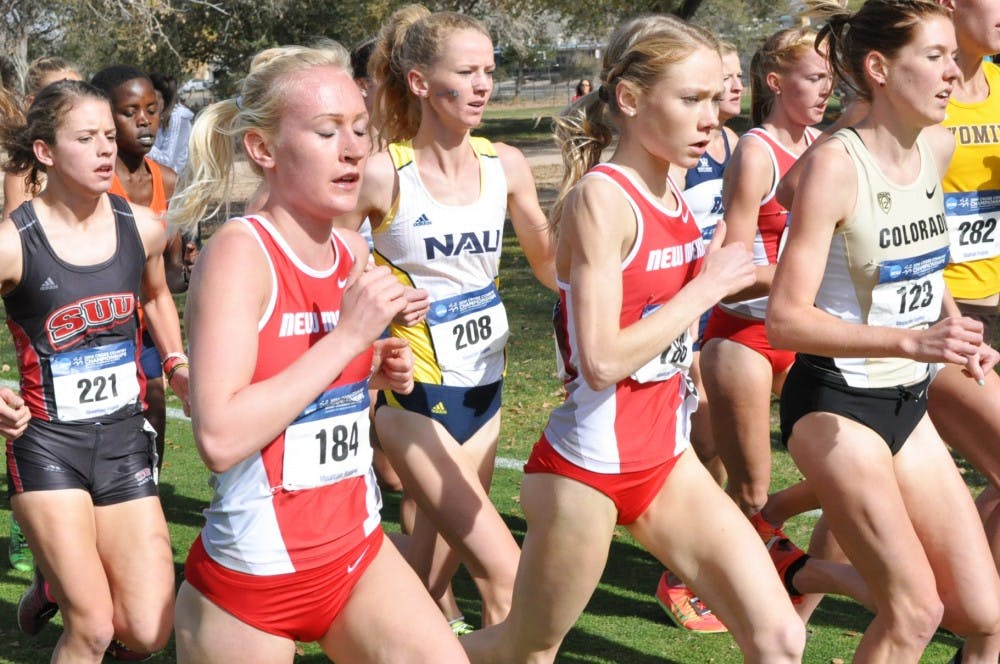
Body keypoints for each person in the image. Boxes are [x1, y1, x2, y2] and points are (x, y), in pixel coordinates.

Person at [460, 15, 806, 663]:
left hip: (665, 458)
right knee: (525, 649)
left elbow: (687, 288)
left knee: (781, 637)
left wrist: (806, 276)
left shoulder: (673, 187)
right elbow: (600, 359)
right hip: (589, 471)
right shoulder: (602, 199)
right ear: (629, 99)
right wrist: (706, 288)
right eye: (691, 99)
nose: (712, 117)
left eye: (714, 98)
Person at [167, 43, 467, 663]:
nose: (354, 148)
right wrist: (347, 340)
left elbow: (323, 386)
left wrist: (374, 367)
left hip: (357, 552)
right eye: (327, 132)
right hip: (254, 581)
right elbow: (219, 437)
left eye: (360, 129)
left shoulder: (351, 252)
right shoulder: (239, 254)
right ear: (264, 150)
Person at [767, 1, 1000, 660]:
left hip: (909, 402)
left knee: (986, 615)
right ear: (878, 68)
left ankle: (795, 569)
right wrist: (912, 342)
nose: (954, 74)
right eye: (935, 58)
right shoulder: (836, 166)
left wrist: (958, 330)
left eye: (953, 58)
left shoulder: (939, 146)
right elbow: (786, 318)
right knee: (914, 610)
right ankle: (794, 570)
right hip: (836, 407)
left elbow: (924, 272)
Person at [341, 4, 556, 629]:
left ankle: (355, 629)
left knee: (430, 576)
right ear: (419, 83)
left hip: (486, 389)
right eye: (466, 72)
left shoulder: (506, 164)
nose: (484, 84)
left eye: (489, 69)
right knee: (507, 578)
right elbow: (319, 263)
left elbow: (550, 267)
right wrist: (374, 289)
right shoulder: (382, 175)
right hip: (416, 399)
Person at [0, 78, 190, 661]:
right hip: (47, 443)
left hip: (125, 441)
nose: (107, 149)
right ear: (46, 153)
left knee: (148, 628)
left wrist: (177, 360)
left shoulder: (143, 227)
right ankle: (67, 585)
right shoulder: (12, 243)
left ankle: (58, 578)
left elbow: (156, 295)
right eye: (86, 138)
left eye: (109, 135)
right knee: (93, 627)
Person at [698, 25, 830, 553]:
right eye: (814, 78)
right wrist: (800, 279)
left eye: (830, 79)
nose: (827, 90)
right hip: (743, 337)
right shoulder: (757, 153)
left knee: (850, 463)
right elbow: (729, 272)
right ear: (776, 82)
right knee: (750, 487)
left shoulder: (825, 146)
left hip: (804, 332)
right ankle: (692, 578)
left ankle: (760, 549)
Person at [652, 39, 743, 634]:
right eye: (707, 89)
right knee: (702, 440)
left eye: (728, 84)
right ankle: (682, 570)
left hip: (720, 303)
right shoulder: (664, 156)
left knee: (721, 446)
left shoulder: (737, 145)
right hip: (684, 314)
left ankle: (699, 559)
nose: (728, 94)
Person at [91, 65, 195, 474]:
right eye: (129, 110)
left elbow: (167, 279)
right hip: (102, 325)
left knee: (154, 397)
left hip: (150, 324)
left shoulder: (168, 181)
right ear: (105, 116)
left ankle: (148, 483)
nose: (144, 120)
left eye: (151, 110)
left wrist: (190, 267)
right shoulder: (93, 183)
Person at [3, 56, 83, 576]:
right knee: (32, 410)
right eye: (58, 93)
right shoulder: (20, 167)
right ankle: (28, 535)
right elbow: (20, 229)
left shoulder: (85, 156)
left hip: (83, 308)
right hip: (36, 297)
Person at [148, 72, 194, 176]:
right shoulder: (158, 117)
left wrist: (143, 145)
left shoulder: (178, 117)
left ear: (164, 100)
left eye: (153, 100)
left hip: (178, 184)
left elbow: (168, 161)